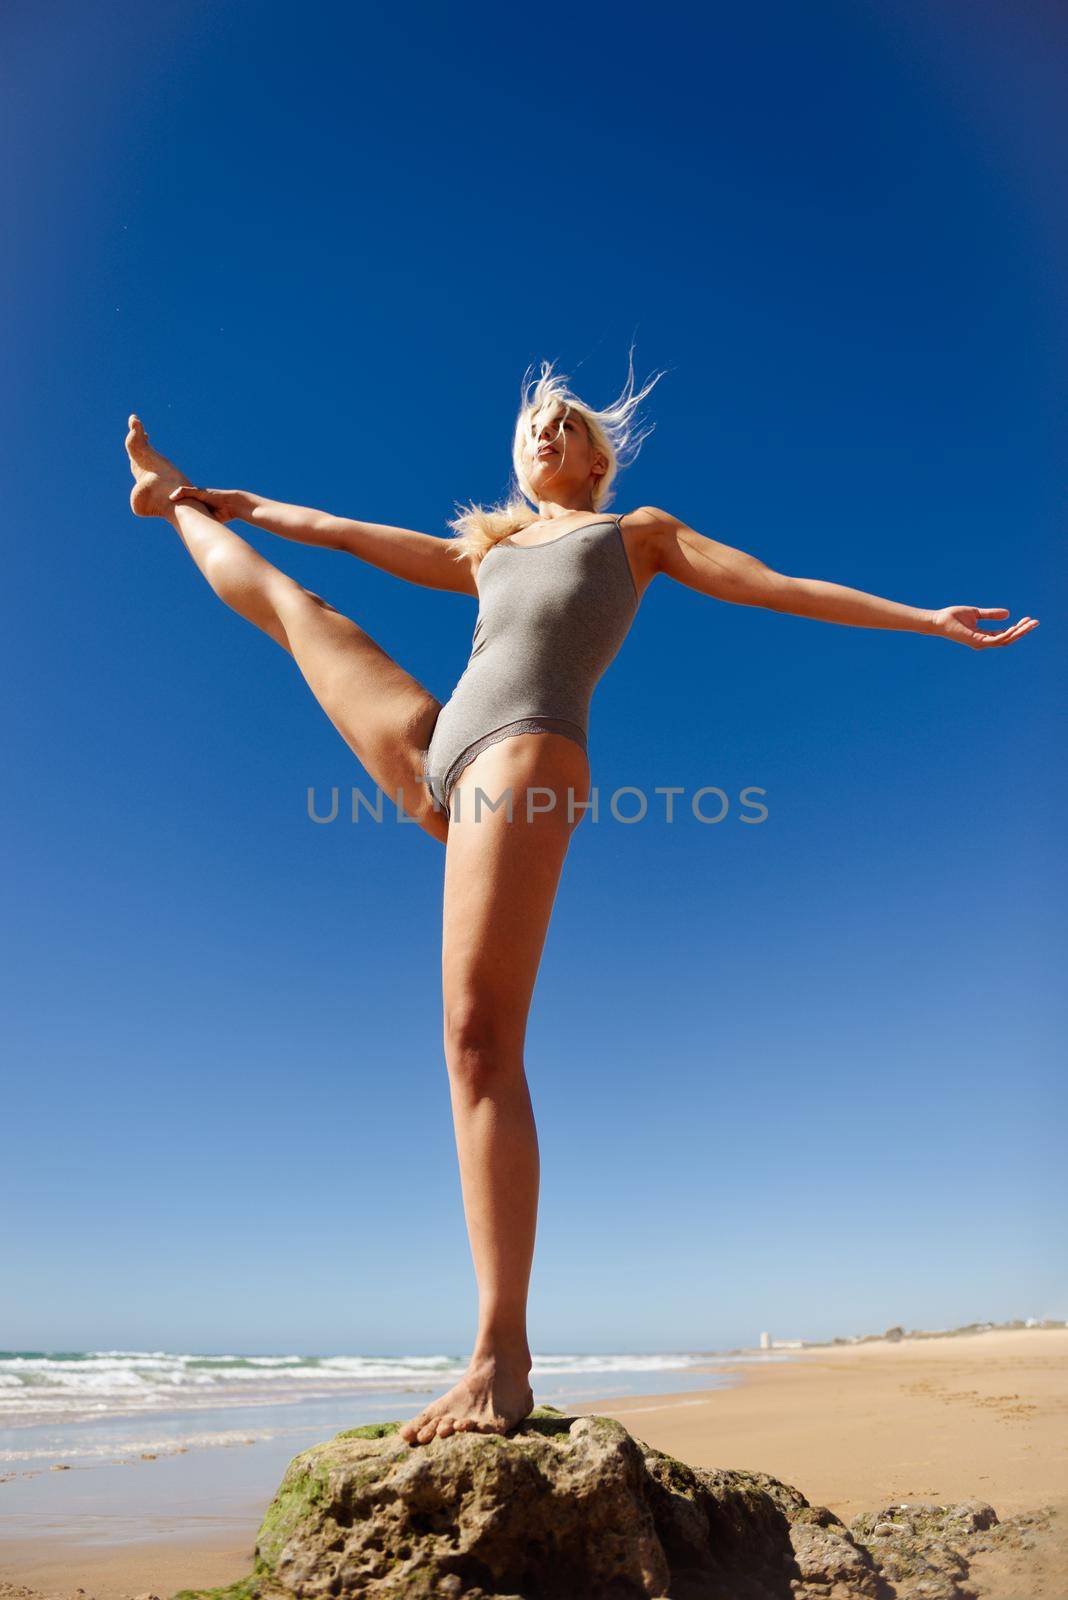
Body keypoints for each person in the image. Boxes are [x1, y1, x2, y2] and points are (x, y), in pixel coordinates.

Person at [124, 356, 1038, 1447]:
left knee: (477, 1041)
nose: (546, 434)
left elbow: (780, 584)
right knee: (292, 602)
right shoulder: (489, 546)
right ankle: (166, 498)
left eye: (567, 425)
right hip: (437, 747)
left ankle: (500, 1357)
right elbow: (342, 529)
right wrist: (236, 501)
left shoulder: (635, 534)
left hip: (523, 756)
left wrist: (924, 620)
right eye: (532, 426)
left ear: (597, 457)